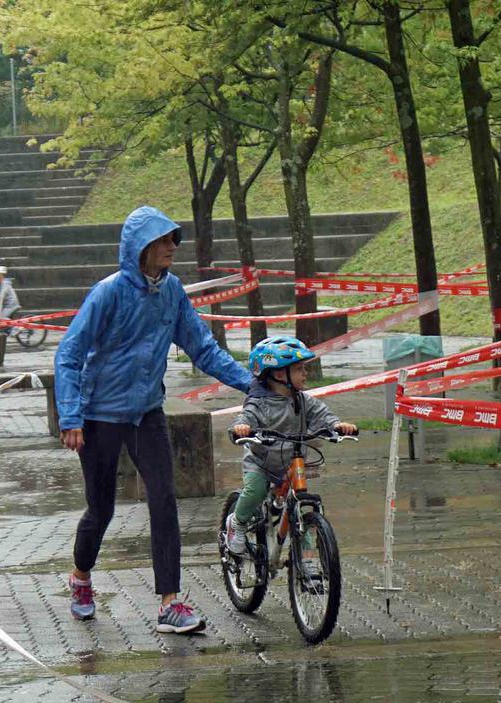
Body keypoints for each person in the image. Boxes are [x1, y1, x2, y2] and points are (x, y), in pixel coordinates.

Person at [55, 205, 251, 635]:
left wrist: (251, 384)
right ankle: (81, 577)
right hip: (99, 416)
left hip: (147, 413)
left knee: (164, 502)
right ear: (140, 248)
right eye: (163, 241)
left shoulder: (173, 291)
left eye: (174, 240)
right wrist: (70, 417)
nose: (171, 248)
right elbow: (69, 354)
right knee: (100, 510)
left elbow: (203, 347)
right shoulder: (108, 293)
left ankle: (169, 603)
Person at [225, 336, 357, 576]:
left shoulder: (303, 400)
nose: (305, 373)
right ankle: (238, 523)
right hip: (261, 462)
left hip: (291, 463)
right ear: (277, 375)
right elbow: (244, 419)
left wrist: (338, 426)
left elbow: (323, 415)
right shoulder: (258, 403)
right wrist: (242, 428)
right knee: (254, 491)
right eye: (298, 369)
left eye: (304, 368)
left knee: (300, 508)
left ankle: (306, 559)